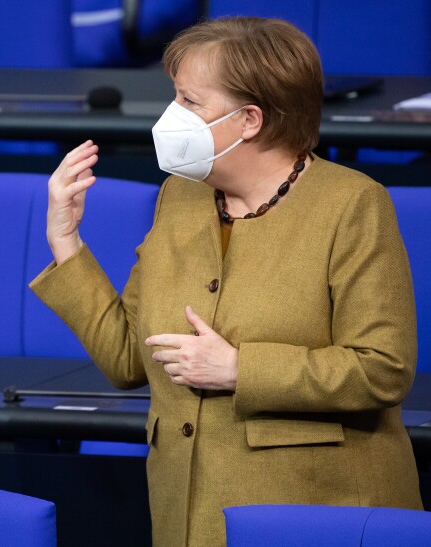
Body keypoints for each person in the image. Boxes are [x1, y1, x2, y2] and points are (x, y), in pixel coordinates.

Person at [31, 16, 422, 546]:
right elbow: (128, 358)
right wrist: (66, 240)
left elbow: (383, 369)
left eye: (190, 101)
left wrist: (241, 368)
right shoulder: (179, 196)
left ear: (250, 120)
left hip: (313, 513)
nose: (172, 116)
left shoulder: (353, 204)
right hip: (188, 515)